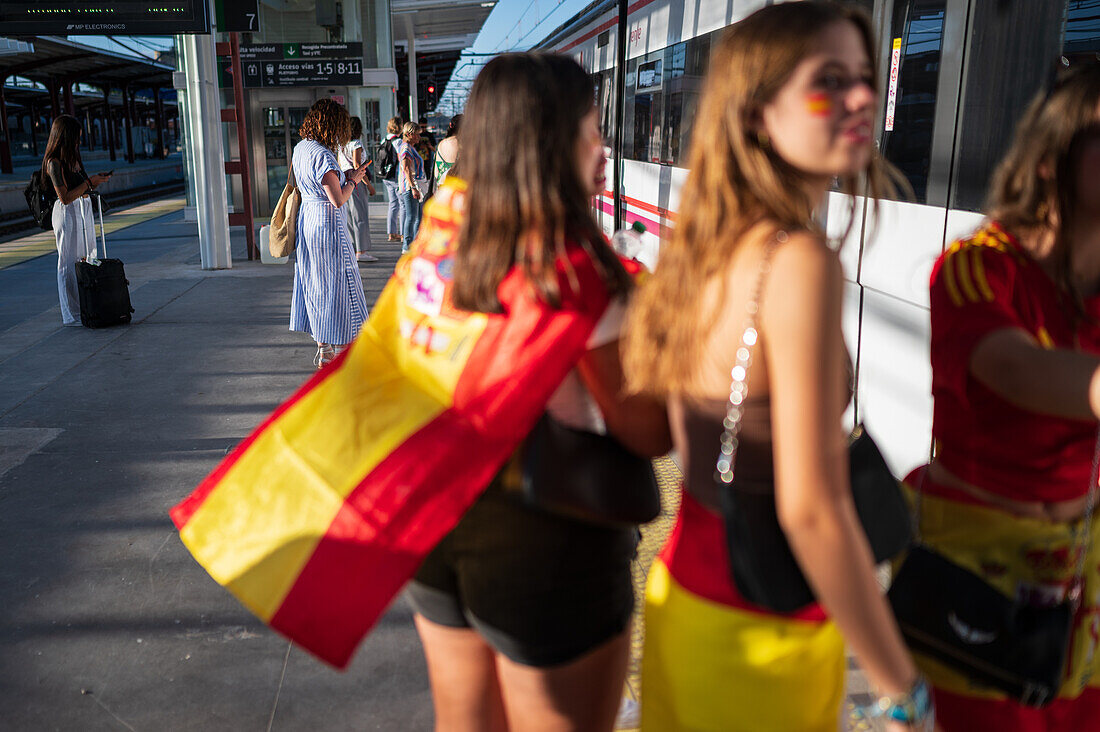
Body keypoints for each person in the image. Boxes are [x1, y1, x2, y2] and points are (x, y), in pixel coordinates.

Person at [622, 4, 934, 731]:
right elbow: (811, 510)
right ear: (758, 114)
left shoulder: (708, 246)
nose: (863, 98)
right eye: (829, 82)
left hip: (685, 605)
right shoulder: (798, 264)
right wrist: (901, 688)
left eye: (864, 78)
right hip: (763, 640)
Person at [405, 52, 671, 731]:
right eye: (592, 130)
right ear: (552, 141)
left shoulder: (440, 243)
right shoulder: (574, 265)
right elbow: (648, 429)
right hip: (544, 540)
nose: (604, 151)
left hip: (437, 520)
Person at [904, 61, 1100, 730]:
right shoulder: (975, 266)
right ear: (1053, 158)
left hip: (1077, 579)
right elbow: (1014, 371)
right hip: (975, 585)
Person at [289, 99, 370, 368]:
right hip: (327, 223)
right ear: (333, 124)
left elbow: (311, 184)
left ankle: (322, 346)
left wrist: (343, 174)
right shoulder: (323, 154)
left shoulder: (301, 148)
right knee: (338, 283)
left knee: (314, 282)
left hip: (307, 221)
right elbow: (337, 199)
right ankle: (340, 346)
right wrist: (354, 180)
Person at [42, 114, 111, 326]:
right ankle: (70, 313)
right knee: (67, 263)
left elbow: (81, 188)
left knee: (88, 257)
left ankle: (87, 305)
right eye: (76, 138)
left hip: (82, 210)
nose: (78, 142)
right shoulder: (53, 163)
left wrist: (92, 183)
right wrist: (89, 182)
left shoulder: (72, 160)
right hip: (66, 213)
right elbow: (64, 197)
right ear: (65, 137)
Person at [337, 115, 378, 262]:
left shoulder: (341, 145)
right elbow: (357, 165)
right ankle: (361, 251)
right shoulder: (356, 144)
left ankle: (353, 248)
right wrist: (369, 185)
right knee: (360, 216)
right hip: (356, 182)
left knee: (349, 217)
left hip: (344, 181)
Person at [396, 121, 426, 254]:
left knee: (416, 216)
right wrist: (413, 187)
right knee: (411, 216)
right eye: (416, 134)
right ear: (409, 134)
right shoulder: (406, 148)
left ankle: (413, 244)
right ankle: (407, 246)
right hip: (409, 186)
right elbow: (406, 169)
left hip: (412, 186)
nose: (419, 137)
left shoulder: (408, 147)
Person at [380, 116, 405, 242]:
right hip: (396, 176)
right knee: (403, 204)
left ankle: (391, 233)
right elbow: (403, 159)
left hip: (386, 176)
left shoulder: (384, 140)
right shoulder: (398, 142)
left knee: (393, 204)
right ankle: (403, 234)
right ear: (399, 127)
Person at [433, 114, 460, 189]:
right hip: (457, 188)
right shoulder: (463, 144)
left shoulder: (441, 144)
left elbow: (436, 172)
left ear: (451, 125)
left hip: (442, 187)